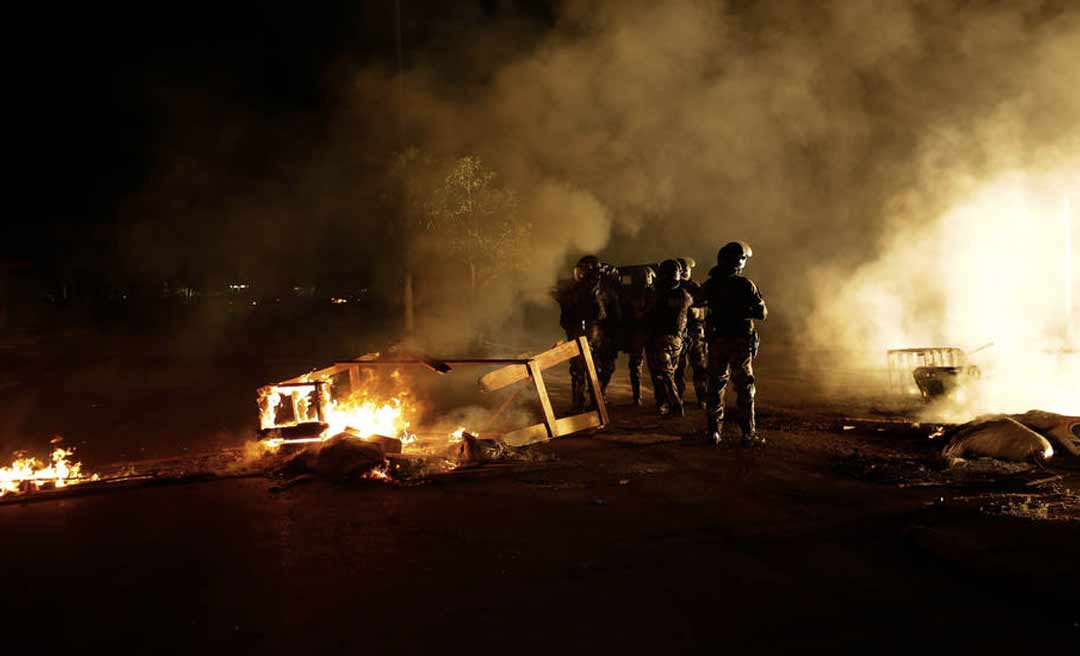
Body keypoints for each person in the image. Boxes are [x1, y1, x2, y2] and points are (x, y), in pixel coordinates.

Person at [701, 241, 767, 447]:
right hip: (739, 342)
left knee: (715, 387)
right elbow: (761, 313)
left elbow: (696, 301)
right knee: (745, 387)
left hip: (717, 341)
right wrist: (741, 310)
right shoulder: (745, 284)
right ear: (738, 261)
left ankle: (713, 432)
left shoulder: (710, 285)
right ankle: (748, 434)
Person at [553, 255, 620, 412]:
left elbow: (607, 315)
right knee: (578, 370)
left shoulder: (602, 290)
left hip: (596, 335)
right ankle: (581, 403)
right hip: (580, 333)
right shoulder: (578, 289)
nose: (579, 274)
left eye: (583, 270)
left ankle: (596, 400)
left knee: (595, 369)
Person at [646, 259, 693, 417]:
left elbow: (650, 313)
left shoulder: (659, 295)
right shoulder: (684, 295)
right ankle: (668, 404)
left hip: (661, 340)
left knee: (664, 374)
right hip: (677, 340)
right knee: (670, 373)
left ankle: (675, 405)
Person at [619, 266, 656, 406]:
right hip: (643, 333)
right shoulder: (653, 293)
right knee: (650, 367)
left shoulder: (629, 293)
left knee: (638, 367)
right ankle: (649, 398)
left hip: (641, 333)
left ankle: (638, 398)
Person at [674, 257, 708, 408]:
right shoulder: (674, 288)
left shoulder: (695, 287)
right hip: (681, 332)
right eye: (681, 269)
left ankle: (702, 398)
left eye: (685, 269)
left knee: (699, 367)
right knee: (679, 368)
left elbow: (700, 310)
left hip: (695, 332)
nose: (684, 272)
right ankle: (678, 398)